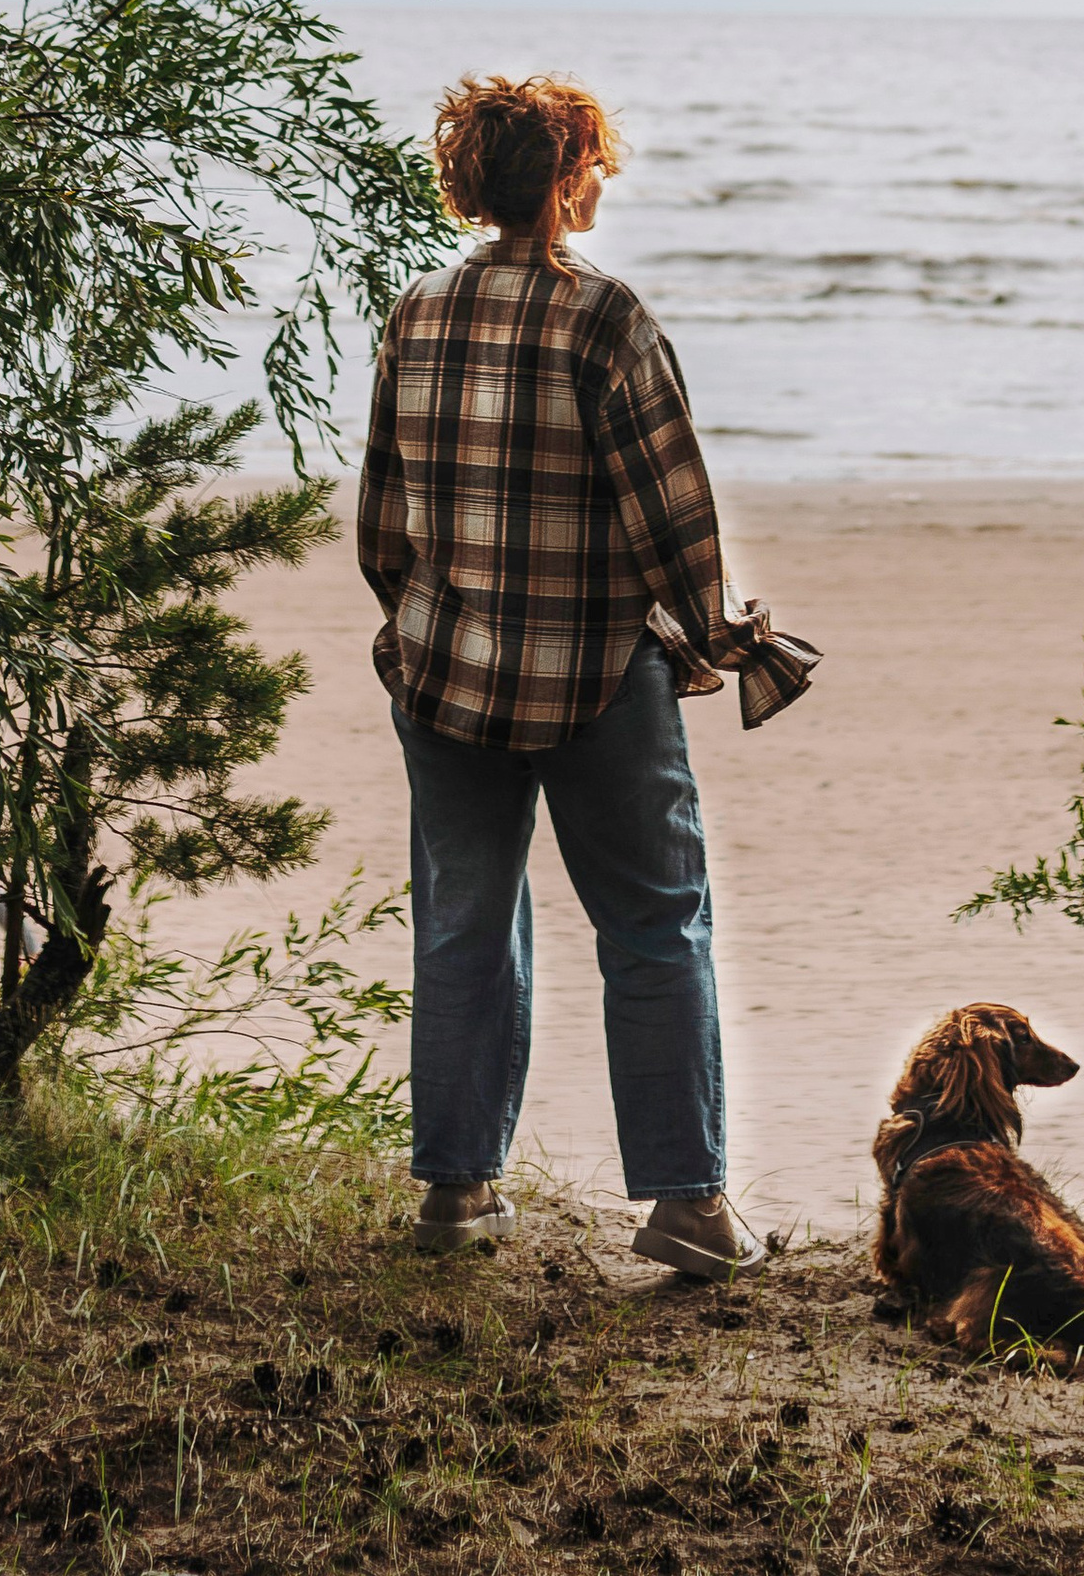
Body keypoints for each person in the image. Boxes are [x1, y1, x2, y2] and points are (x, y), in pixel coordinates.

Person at [359, 71, 818, 1270]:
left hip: (444, 674)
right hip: (596, 682)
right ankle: (687, 1207)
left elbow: (383, 527)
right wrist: (716, 634)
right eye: (593, 163)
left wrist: (432, 624)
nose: (602, 179)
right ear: (565, 180)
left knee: (465, 922)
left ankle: (455, 1198)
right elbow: (673, 515)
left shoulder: (416, 311)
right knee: (657, 926)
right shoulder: (604, 318)